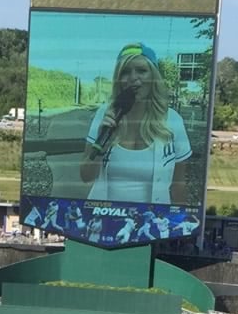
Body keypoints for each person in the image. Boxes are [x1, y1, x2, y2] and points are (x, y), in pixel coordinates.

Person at [77, 43, 193, 206]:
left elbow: (178, 186)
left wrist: (181, 224)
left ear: (153, 77)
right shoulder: (105, 114)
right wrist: (100, 147)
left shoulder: (173, 121)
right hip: (103, 220)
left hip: (154, 224)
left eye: (141, 71)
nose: (133, 78)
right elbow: (86, 176)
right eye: (125, 72)